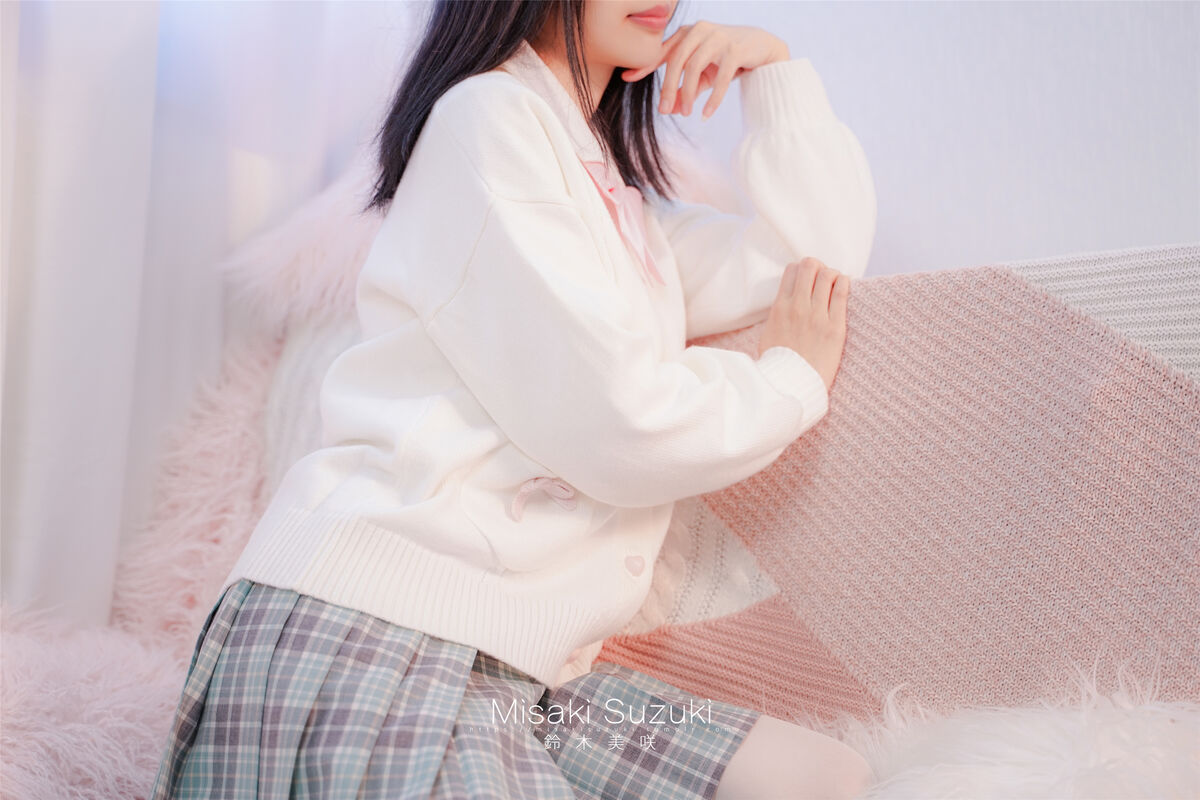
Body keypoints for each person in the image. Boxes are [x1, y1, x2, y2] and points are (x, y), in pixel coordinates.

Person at [148, 0, 878, 797]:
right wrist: (784, 383)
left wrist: (774, 75)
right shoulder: (488, 116)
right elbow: (619, 422)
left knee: (824, 777)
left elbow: (809, 267)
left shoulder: (606, 193)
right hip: (374, 630)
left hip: (516, 669)